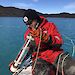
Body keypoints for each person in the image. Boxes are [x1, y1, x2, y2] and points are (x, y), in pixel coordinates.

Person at [23, 9, 64, 75]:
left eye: (30, 23)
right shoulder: (27, 34)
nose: (28, 26)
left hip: (54, 53)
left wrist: (48, 39)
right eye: (27, 24)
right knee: (42, 72)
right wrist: (17, 62)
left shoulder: (50, 26)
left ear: (36, 19)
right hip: (39, 57)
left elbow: (59, 42)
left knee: (72, 68)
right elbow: (27, 49)